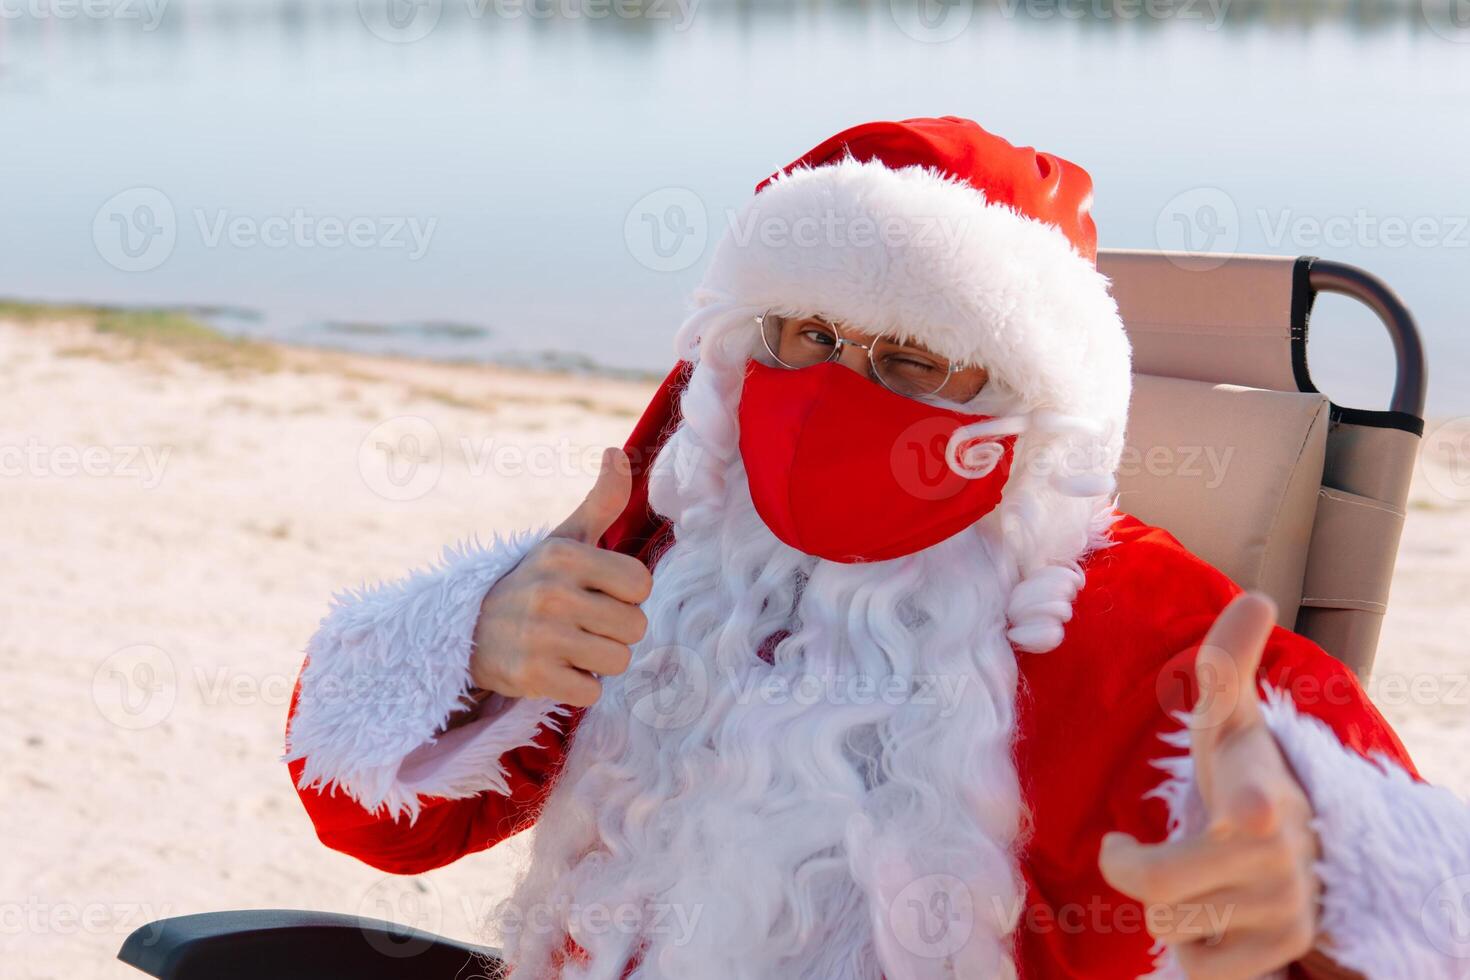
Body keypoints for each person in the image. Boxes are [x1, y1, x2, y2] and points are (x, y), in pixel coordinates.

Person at [283, 117, 1469, 979]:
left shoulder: (1157, 639)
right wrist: (473, 647)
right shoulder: (668, 559)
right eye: (803, 336)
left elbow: (1392, 898)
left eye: (908, 360)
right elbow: (381, 821)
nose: (830, 395)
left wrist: (1322, 902)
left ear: (1026, 404)